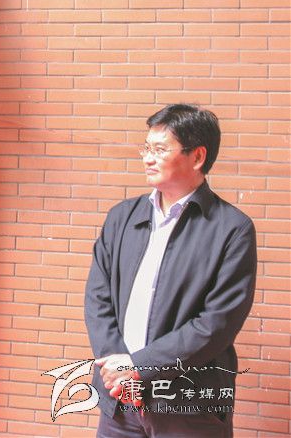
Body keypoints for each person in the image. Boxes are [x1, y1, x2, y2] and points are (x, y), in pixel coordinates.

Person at [85, 104, 257, 437]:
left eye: (160, 149)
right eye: (146, 148)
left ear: (197, 157)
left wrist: (138, 367)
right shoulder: (122, 217)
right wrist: (117, 369)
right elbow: (97, 299)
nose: (148, 158)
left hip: (186, 409)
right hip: (120, 404)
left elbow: (216, 324)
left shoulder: (231, 230)